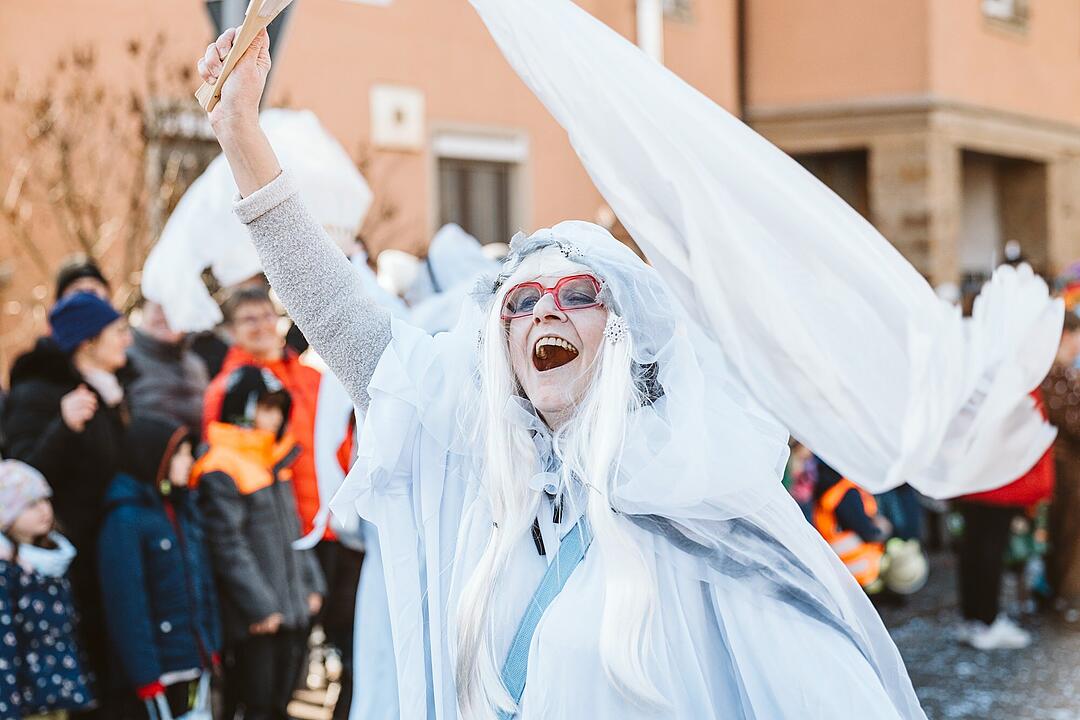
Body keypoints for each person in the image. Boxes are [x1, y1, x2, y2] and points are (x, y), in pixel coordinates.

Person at [195, 9, 1060, 717]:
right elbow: (342, 318)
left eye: (579, 294)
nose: (546, 310)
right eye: (521, 302)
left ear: (624, 332)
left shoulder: (693, 499)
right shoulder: (482, 468)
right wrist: (239, 133)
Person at [1, 291, 131, 712]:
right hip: (67, 562)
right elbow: (19, 480)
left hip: (109, 551)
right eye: (117, 331)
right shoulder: (39, 393)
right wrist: (64, 424)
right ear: (88, 341)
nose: (127, 339)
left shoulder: (109, 390)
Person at [194, 365, 324, 720]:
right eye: (266, 407)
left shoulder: (275, 460)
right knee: (255, 706)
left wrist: (311, 585)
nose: (275, 417)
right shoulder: (221, 465)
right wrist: (260, 607)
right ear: (242, 407)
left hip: (290, 609)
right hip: (255, 620)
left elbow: (294, 532)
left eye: (279, 409)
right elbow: (228, 546)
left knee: (281, 704)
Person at [98, 415, 221, 719]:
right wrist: (145, 674)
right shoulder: (125, 519)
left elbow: (202, 583)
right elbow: (127, 605)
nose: (189, 462)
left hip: (189, 660)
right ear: (155, 457)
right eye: (180, 454)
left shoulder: (181, 508)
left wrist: (210, 645)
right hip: (155, 674)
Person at [202, 286, 323, 539]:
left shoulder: (312, 377)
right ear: (232, 330)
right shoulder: (228, 389)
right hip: (285, 526)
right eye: (249, 319)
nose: (261, 326)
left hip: (336, 519)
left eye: (267, 316)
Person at [954, 391, 1055, 650]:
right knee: (990, 549)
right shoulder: (1015, 382)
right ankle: (986, 620)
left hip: (973, 474)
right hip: (999, 478)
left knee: (974, 546)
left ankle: (973, 618)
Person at [0, 460, 95, 718]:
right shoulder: (7, 572)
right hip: (25, 700)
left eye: (45, 500)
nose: (43, 510)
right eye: (31, 504)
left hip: (59, 690)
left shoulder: (53, 561)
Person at [1042, 311, 1080, 622]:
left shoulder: (1060, 372)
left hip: (1065, 467)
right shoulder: (1054, 373)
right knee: (1068, 534)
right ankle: (1065, 597)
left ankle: (1061, 594)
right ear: (1066, 335)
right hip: (1065, 469)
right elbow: (1072, 422)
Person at [125, 301, 210, 435]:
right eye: (158, 309)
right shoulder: (124, 359)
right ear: (144, 311)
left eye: (174, 308)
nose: (166, 316)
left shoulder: (196, 364)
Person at [812, 461, 890, 592]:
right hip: (829, 495)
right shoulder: (859, 574)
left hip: (833, 486)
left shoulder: (870, 559)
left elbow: (866, 531)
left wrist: (878, 531)